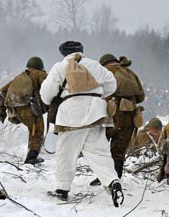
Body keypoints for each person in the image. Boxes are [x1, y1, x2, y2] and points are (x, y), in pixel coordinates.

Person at [39, 41, 124, 206]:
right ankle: (113, 181)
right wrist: (97, 95)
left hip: (70, 114)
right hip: (96, 112)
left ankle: (62, 189)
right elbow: (111, 84)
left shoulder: (60, 66)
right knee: (99, 152)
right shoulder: (95, 65)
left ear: (64, 53)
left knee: (66, 153)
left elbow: (46, 93)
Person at [89, 54, 145, 186]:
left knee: (102, 146)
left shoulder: (104, 72)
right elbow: (141, 96)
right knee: (119, 148)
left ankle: (104, 177)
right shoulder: (130, 72)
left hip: (112, 113)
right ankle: (116, 178)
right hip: (130, 114)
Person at [0, 57, 47, 164]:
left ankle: (31, 154)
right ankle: (31, 158)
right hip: (29, 108)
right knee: (37, 131)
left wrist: (1, 111)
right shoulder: (40, 74)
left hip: (15, 110)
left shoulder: (20, 76)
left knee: (33, 130)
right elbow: (48, 88)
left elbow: (2, 92)